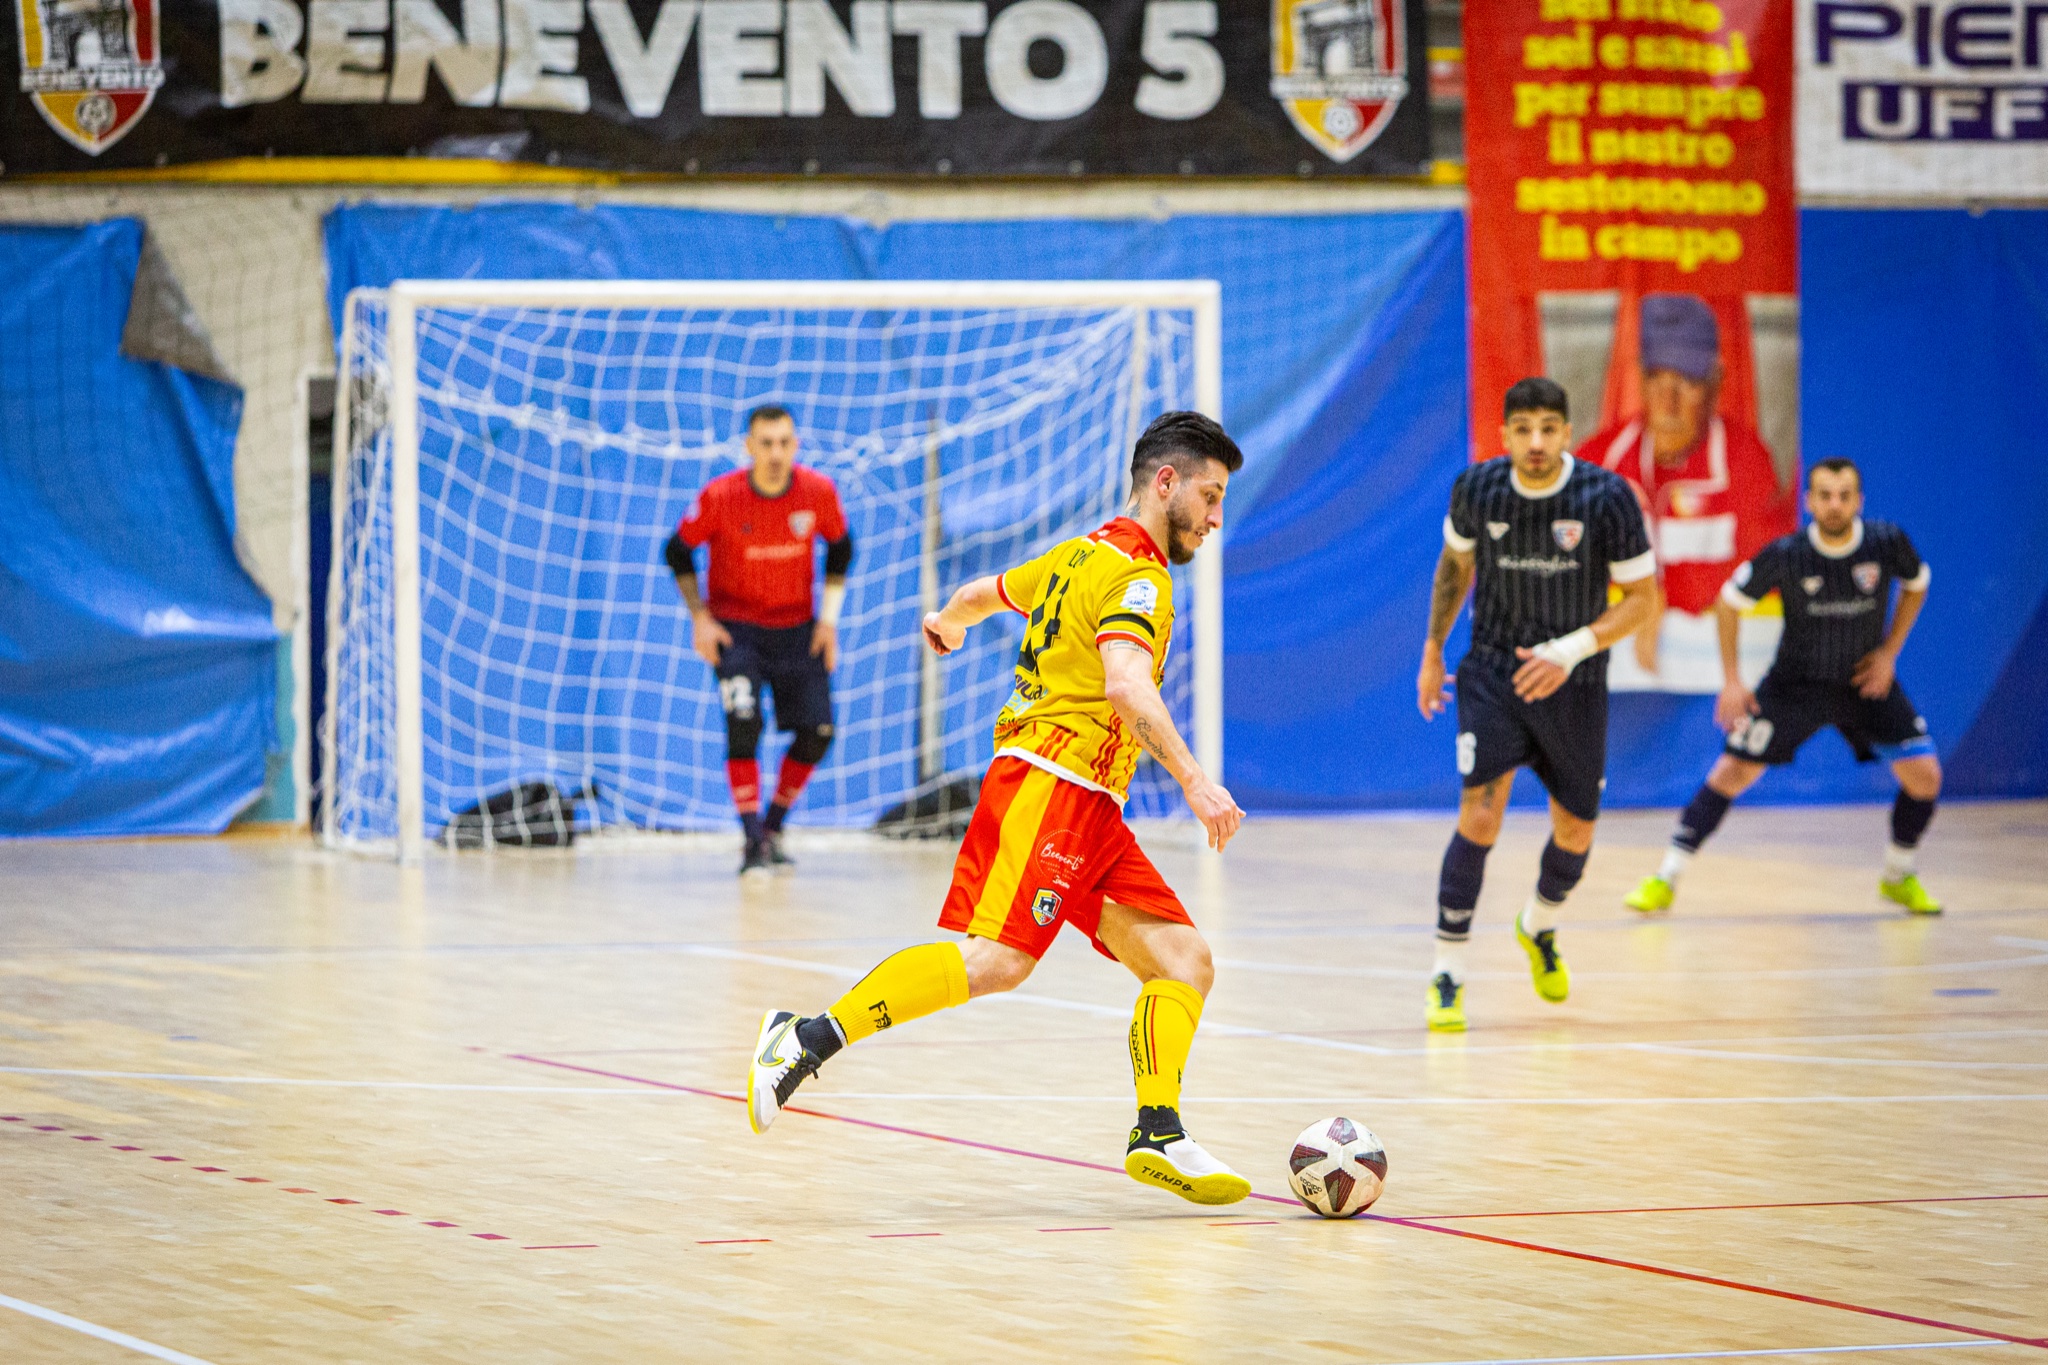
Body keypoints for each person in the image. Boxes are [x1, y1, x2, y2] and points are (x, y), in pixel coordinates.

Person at [745, 411, 1253, 1207]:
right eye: (1211, 495)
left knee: (1185, 960)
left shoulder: (1078, 554)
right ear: (1167, 482)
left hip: (1092, 809)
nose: (1217, 517)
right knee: (999, 961)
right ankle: (802, 1039)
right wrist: (1194, 779)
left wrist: (948, 621)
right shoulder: (1141, 577)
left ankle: (1158, 1132)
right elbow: (1126, 682)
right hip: (1052, 784)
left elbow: (987, 592)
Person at [1417, 378, 1658, 1032]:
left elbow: (1644, 599)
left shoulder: (1606, 499)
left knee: (1576, 829)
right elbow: (1453, 567)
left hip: (1572, 682)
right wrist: (1434, 648)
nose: (1535, 442)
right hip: (1494, 671)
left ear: (1567, 434)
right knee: (1479, 817)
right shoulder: (1477, 489)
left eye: (1548, 429)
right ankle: (1448, 970)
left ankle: (1540, 924)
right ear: (1505, 434)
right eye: (1522, 429)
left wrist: (1572, 649)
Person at [1626, 458, 1941, 915]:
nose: (1835, 505)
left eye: (1845, 495)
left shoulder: (1887, 544)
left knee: (1925, 776)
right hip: (1794, 686)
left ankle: (1898, 875)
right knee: (1731, 773)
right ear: (1809, 501)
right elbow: (1729, 604)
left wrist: (1889, 653)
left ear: (1859, 501)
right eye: (1825, 495)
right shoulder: (1787, 555)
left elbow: (1918, 584)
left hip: (1863, 682)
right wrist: (1732, 681)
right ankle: (1665, 878)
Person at [665, 405, 852, 876]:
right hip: (738, 632)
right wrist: (700, 618)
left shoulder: (817, 492)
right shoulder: (721, 495)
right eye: (765, 443)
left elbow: (843, 547)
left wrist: (827, 622)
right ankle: (751, 842)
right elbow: (677, 550)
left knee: (818, 734)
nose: (775, 453)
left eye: (784, 443)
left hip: (798, 631)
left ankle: (772, 827)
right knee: (744, 725)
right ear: (749, 447)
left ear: (796, 446)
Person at [1578, 294, 1797, 674]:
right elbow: (1566, 567)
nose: (1669, 400)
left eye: (1687, 381)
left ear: (1715, 382)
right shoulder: (1598, 460)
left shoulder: (1745, 459)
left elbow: (1768, 574)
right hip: (1613, 678)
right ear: (1639, 377)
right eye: (1656, 378)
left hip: (1712, 673)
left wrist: (1663, 594)